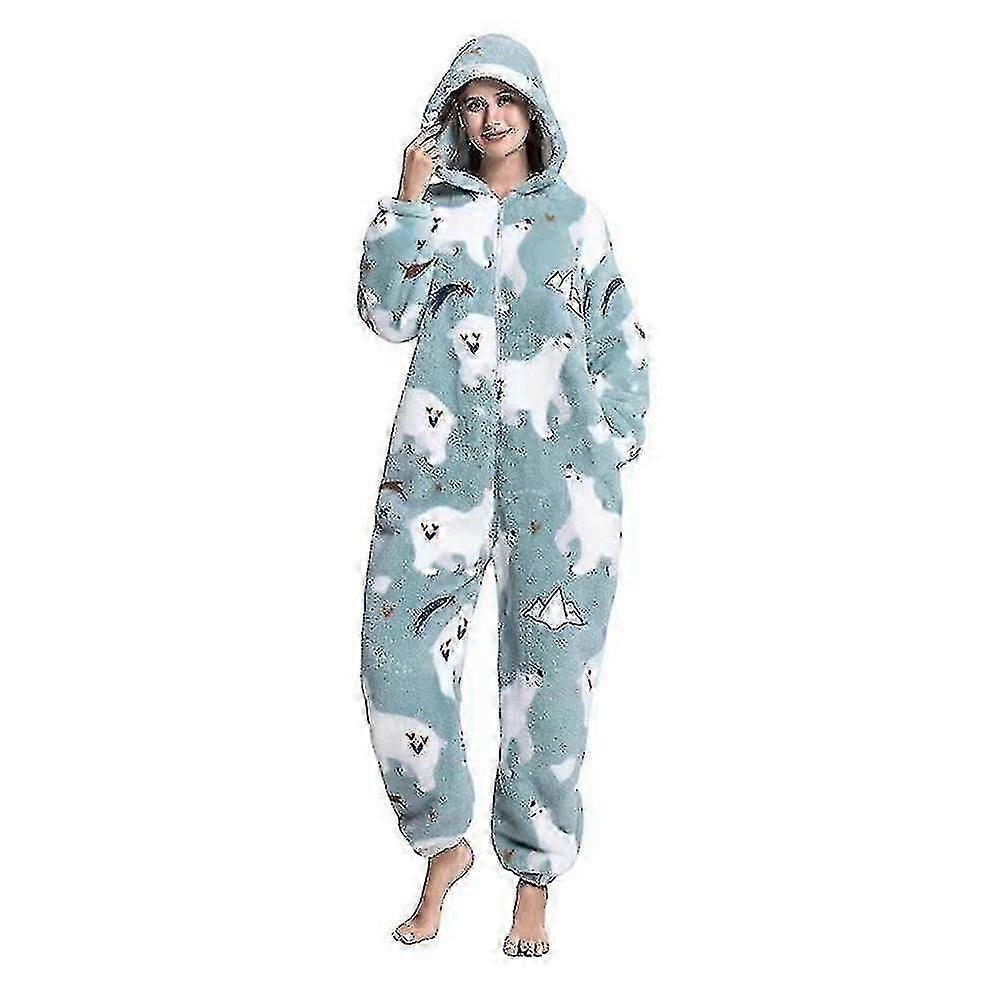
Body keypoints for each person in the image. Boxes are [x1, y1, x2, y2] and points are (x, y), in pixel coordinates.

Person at [356, 33, 650, 958]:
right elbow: (385, 315)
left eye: (506, 100)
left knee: (552, 686)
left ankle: (534, 877)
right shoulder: (434, 212)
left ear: (535, 109)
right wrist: (407, 200)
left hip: (561, 489)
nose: (490, 119)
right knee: (397, 662)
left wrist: (608, 441)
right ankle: (443, 848)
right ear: (454, 113)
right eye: (472, 103)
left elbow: (621, 338)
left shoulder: (577, 219)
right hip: (435, 477)